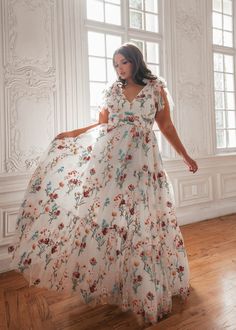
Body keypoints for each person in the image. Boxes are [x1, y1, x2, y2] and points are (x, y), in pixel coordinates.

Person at [9, 43, 198, 326]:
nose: (120, 69)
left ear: (136, 62)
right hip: (110, 164)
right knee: (108, 220)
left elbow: (166, 126)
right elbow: (102, 125)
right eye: (116, 64)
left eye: (124, 63)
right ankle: (113, 280)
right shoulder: (111, 91)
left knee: (143, 221)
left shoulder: (156, 88)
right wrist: (74, 132)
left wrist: (185, 156)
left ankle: (145, 282)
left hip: (143, 165)